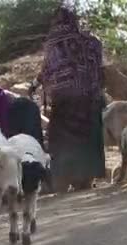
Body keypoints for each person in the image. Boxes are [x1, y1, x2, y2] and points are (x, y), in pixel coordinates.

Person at [29, 5, 106, 192]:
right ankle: (85, 179)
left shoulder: (54, 42)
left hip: (64, 101)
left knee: (62, 139)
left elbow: (47, 70)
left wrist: (34, 85)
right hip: (90, 100)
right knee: (88, 138)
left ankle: (63, 178)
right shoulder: (93, 42)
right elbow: (99, 69)